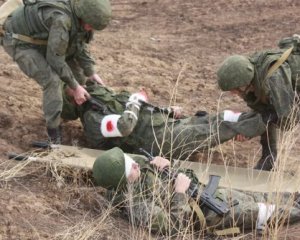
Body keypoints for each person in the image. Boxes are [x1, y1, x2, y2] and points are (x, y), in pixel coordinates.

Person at [92, 147, 300, 237]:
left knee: (260, 196)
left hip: (205, 193)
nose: (135, 166)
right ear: (122, 180)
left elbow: (184, 176)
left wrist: (167, 166)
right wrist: (180, 193)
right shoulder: (138, 206)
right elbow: (174, 228)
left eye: (131, 162)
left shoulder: (137, 170)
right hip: (208, 214)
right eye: (130, 169)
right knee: (262, 211)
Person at [62, 81, 267, 160]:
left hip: (165, 127)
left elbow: (139, 113)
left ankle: (262, 115)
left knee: (223, 117)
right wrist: (136, 99)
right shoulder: (92, 120)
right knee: (222, 126)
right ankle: (268, 119)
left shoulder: (101, 100)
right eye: (73, 86)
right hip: (160, 142)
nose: (78, 82)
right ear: (75, 100)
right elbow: (125, 127)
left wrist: (167, 111)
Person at [0, 0, 112, 144]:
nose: (90, 28)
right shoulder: (61, 20)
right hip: (19, 41)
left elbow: (78, 46)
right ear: (83, 16)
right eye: (90, 25)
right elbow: (55, 60)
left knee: (81, 80)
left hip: (42, 39)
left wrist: (91, 73)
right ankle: (53, 133)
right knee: (52, 81)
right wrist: (74, 86)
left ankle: (63, 109)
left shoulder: (79, 17)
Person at [217, 35, 300, 170]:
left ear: (242, 82)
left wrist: (257, 125)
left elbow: (289, 119)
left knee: (271, 114)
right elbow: (262, 110)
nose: (233, 93)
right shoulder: (250, 74)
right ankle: (269, 156)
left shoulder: (272, 77)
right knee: (266, 112)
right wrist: (253, 126)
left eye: (234, 89)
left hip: (291, 92)